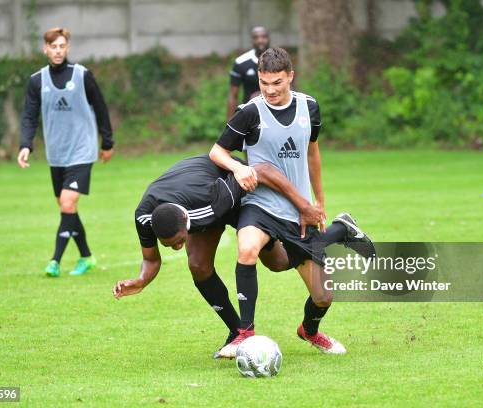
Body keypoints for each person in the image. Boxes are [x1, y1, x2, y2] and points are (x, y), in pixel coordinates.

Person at [210, 47, 374, 358]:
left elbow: (313, 153)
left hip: (298, 210)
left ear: (291, 77)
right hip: (258, 204)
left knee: (323, 296)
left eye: (277, 82)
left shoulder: (309, 107)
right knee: (246, 249)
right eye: (264, 82)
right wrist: (240, 167)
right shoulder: (249, 112)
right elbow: (217, 152)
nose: (270, 90)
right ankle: (245, 333)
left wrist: (319, 201)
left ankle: (309, 331)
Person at [112, 154, 324, 357]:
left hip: (233, 191)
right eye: (169, 245)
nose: (176, 248)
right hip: (196, 198)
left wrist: (303, 206)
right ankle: (237, 333)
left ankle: (328, 237)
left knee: (277, 262)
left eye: (179, 241)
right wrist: (141, 280)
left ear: (186, 221)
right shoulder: (144, 218)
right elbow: (151, 259)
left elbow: (261, 170)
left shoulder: (211, 201)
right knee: (198, 265)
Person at [17, 27, 114, 277]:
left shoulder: (82, 75)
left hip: (82, 150)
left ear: (67, 48)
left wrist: (107, 142)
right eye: (53, 46)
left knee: (68, 202)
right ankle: (86, 256)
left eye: (62, 46)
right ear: (45, 49)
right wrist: (25, 145)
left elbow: (101, 107)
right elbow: (29, 116)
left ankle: (55, 261)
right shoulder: (37, 81)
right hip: (57, 155)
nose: (58, 51)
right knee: (66, 208)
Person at [227, 26, 270, 120]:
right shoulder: (241, 62)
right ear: (252, 40)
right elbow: (233, 95)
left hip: (276, 112)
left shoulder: (280, 59)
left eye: (263, 37)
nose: (260, 40)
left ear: (269, 38)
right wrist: (230, 123)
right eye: (256, 37)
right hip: (250, 115)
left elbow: (291, 88)